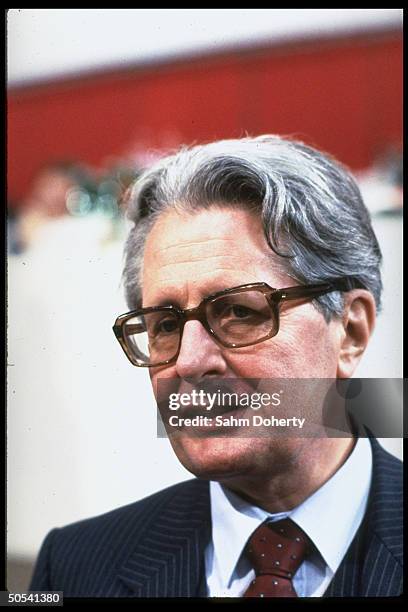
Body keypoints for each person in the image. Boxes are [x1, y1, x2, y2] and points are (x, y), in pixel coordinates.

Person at [29, 135, 402, 597]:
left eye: (240, 313)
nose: (188, 361)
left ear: (350, 331)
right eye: (165, 325)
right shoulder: (71, 568)